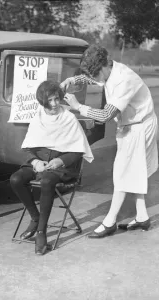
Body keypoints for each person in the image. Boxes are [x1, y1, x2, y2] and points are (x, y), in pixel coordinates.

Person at [60, 44, 158, 238]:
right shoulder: (109, 70)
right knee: (135, 172)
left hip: (139, 126)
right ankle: (142, 216)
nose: (94, 78)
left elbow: (105, 115)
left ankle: (109, 221)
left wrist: (78, 106)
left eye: (95, 73)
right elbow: (92, 78)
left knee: (122, 174)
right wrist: (72, 79)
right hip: (131, 125)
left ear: (105, 65)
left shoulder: (123, 79)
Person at [10, 80, 94, 255]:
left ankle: (41, 232)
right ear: (42, 102)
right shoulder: (38, 117)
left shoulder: (68, 118)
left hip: (62, 166)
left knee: (47, 181)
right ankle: (35, 217)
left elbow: (78, 151)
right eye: (50, 101)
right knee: (16, 179)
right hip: (40, 162)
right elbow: (27, 148)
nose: (55, 104)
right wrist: (34, 161)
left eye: (57, 99)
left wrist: (60, 161)